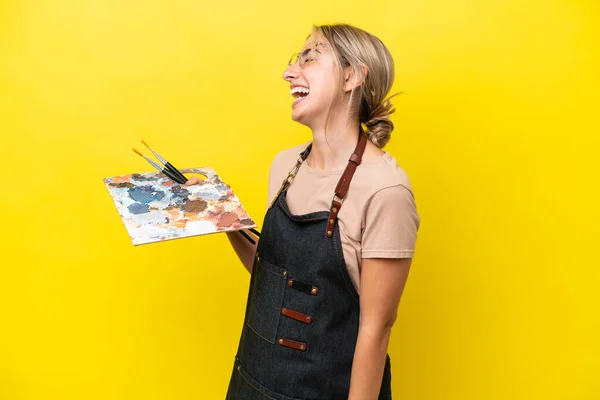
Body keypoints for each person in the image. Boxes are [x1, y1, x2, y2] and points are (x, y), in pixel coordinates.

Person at [189, 23, 420, 400]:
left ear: (352, 76)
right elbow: (278, 275)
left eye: (310, 57)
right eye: (295, 60)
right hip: (251, 382)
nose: (289, 72)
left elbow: (376, 329)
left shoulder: (385, 189)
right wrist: (226, 220)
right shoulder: (285, 166)